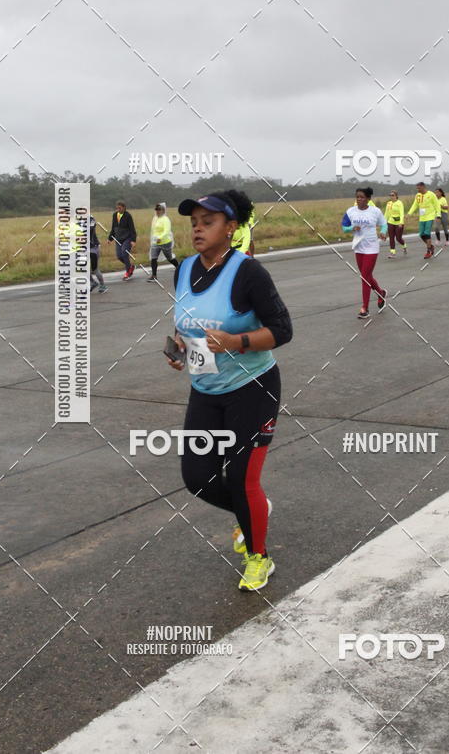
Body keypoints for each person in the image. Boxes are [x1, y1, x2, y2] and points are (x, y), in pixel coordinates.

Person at [167, 189, 292, 593]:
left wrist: (236, 342)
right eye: (194, 223)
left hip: (252, 388)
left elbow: (282, 330)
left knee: (241, 479)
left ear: (231, 227)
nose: (198, 229)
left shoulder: (248, 273)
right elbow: (185, 325)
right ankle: (251, 513)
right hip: (205, 388)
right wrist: (178, 348)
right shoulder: (183, 268)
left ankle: (259, 557)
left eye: (208, 222)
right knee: (197, 477)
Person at [341, 187, 388, 318]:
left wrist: (383, 232)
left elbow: (384, 224)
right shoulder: (351, 211)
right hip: (358, 247)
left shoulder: (375, 211)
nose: (359, 199)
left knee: (364, 278)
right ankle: (380, 293)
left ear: (368, 199)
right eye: (357, 197)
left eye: (362, 197)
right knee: (366, 276)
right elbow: (344, 228)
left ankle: (365, 308)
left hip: (372, 247)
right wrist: (351, 228)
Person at [407, 181, 441, 259]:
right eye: (417, 188)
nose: (417, 189)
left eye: (419, 188)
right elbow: (414, 205)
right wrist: (409, 213)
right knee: (421, 234)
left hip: (430, 216)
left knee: (426, 234)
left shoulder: (431, 194)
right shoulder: (418, 195)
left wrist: (438, 215)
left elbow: (437, 205)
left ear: (423, 187)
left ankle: (428, 251)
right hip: (422, 218)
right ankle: (431, 246)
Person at [147, 203, 178, 282]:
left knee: (169, 258)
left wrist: (160, 238)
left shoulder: (165, 219)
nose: (157, 211)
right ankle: (154, 276)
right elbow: (153, 230)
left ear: (163, 210)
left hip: (165, 242)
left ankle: (178, 267)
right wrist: (154, 239)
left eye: (159, 209)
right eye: (156, 210)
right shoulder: (155, 219)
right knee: (153, 258)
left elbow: (167, 231)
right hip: (156, 243)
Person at [108, 201, 137, 279]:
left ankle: (128, 272)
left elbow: (132, 229)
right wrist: (110, 238)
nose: (118, 209)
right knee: (119, 256)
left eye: (120, 208)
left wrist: (133, 240)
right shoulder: (115, 215)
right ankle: (130, 267)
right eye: (117, 208)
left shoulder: (128, 216)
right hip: (118, 239)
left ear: (124, 208)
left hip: (127, 238)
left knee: (124, 253)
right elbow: (113, 228)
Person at [384, 191, 406, 258]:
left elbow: (402, 213)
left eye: (393, 195)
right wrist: (384, 223)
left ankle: (404, 245)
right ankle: (392, 252)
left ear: (396, 196)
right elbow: (386, 214)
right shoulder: (389, 203)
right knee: (391, 238)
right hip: (391, 222)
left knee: (398, 238)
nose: (391, 196)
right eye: (390, 195)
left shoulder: (399, 203)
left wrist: (401, 222)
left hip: (399, 223)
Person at [90, 215, 107, 293]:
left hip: (93, 248)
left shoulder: (91, 218)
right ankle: (93, 282)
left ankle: (103, 285)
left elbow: (91, 228)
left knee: (95, 269)